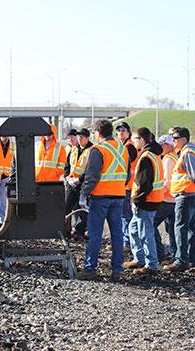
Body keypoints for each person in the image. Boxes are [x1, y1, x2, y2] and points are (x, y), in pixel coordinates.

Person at [79, 119, 129, 281]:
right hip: (119, 196)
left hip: (100, 197)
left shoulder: (98, 150)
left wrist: (83, 194)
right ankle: (117, 269)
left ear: (97, 133)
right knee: (117, 235)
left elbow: (92, 177)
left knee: (95, 234)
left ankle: (90, 269)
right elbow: (126, 174)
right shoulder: (123, 149)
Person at [163, 127, 195, 272]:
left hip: (186, 194)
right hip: (189, 194)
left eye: (176, 138)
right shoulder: (186, 152)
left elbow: (194, 174)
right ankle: (190, 260)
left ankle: (181, 261)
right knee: (189, 227)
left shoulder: (188, 153)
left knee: (181, 227)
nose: (173, 140)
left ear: (184, 139)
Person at [125, 127, 164, 275]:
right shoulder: (153, 154)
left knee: (145, 234)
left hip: (146, 202)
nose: (133, 142)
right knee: (133, 229)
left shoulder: (147, 156)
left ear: (141, 139)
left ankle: (151, 265)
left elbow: (144, 184)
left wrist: (136, 201)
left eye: (135, 139)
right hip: (150, 200)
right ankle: (139, 258)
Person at [65, 128, 93, 240]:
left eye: (81, 137)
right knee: (66, 207)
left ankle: (79, 232)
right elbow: (67, 165)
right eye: (78, 137)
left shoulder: (92, 150)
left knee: (82, 210)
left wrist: (79, 180)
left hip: (83, 185)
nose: (79, 139)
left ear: (87, 138)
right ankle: (66, 231)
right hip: (71, 184)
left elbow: (91, 170)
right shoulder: (74, 149)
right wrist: (67, 177)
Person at [153, 135, 178, 261]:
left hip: (167, 199)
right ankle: (175, 255)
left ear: (165, 145)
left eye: (161, 145)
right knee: (173, 229)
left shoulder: (168, 160)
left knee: (151, 224)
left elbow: (167, 182)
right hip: (174, 199)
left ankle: (159, 253)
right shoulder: (174, 156)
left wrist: (157, 196)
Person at [115, 121, 138, 254]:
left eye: (123, 130)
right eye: (119, 130)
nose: (121, 132)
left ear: (128, 132)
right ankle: (125, 241)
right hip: (122, 185)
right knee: (122, 215)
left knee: (125, 216)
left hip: (127, 185)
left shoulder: (129, 147)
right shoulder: (122, 145)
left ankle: (127, 243)